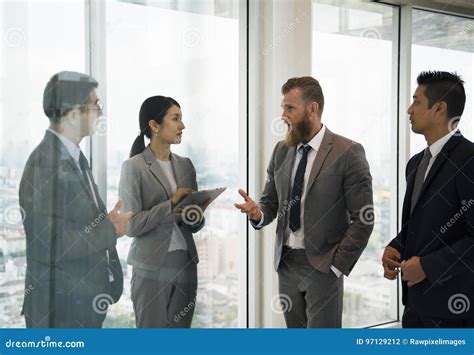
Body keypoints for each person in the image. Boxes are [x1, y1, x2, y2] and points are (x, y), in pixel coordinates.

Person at [235, 76, 374, 327]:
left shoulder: (348, 152)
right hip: (286, 263)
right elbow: (270, 203)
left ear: (312, 109)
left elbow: (363, 219)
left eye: (290, 108)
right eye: (283, 107)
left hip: (324, 265)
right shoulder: (281, 150)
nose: (283, 115)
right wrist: (258, 213)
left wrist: (337, 266)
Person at [19, 71, 132, 328]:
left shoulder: (75, 157)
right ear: (71, 115)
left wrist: (106, 223)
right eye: (95, 105)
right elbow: (49, 244)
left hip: (80, 305)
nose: (100, 113)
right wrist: (109, 230)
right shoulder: (43, 164)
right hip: (59, 312)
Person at [383, 71, 474, 328]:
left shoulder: (470, 160)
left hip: (454, 310)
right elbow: (417, 224)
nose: (409, 110)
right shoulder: (415, 164)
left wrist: (428, 266)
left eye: (417, 101)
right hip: (415, 306)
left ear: (439, 109)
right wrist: (395, 246)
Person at [119, 96, 209, 327]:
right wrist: (169, 204)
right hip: (150, 266)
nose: (182, 126)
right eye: (175, 119)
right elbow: (130, 225)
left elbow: (193, 222)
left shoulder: (186, 165)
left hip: (185, 264)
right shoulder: (133, 167)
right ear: (154, 125)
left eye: (182, 119)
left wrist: (197, 213)